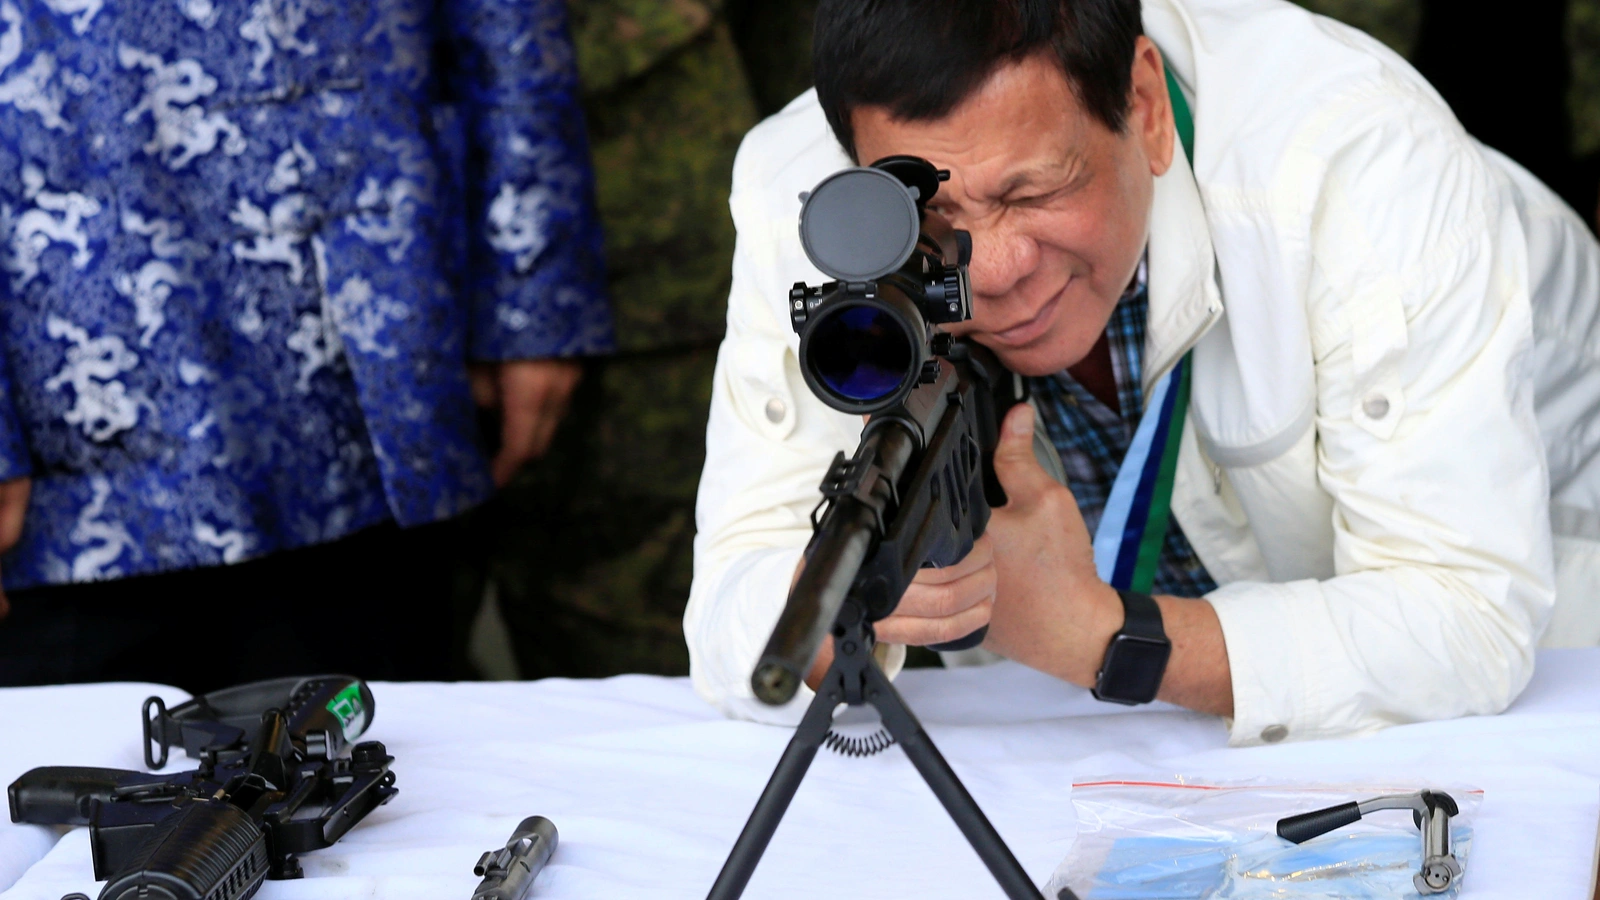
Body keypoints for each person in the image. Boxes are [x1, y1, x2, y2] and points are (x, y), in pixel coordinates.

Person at [685, 0, 1600, 745]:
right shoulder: (800, 194)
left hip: (1545, 603)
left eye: (1035, 191)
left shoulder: (1359, 158)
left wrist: (1095, 636)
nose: (996, 272)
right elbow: (731, 614)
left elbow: (1468, 621)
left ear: (1147, 107)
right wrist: (851, 602)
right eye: (936, 223)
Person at [0, 0, 611, 691]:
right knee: (72, 778)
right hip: (69, 441)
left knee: (393, 774)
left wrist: (531, 291)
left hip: (369, 362)